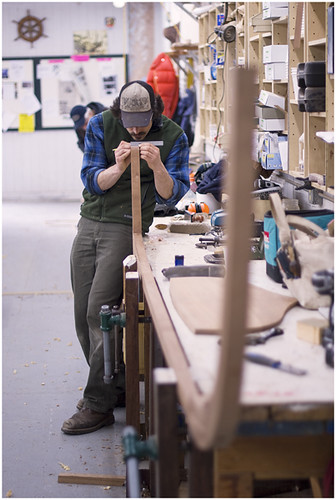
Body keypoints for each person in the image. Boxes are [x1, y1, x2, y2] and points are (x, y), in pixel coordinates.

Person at [62, 80, 190, 435]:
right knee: (81, 310)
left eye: (143, 123)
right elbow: (90, 179)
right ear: (119, 112)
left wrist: (158, 166)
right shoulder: (101, 125)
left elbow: (172, 195)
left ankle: (98, 404)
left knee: (98, 310)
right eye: (130, 122)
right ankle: (111, 383)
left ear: (155, 113)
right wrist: (118, 167)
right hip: (90, 220)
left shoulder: (175, 135)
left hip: (126, 224)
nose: (135, 130)